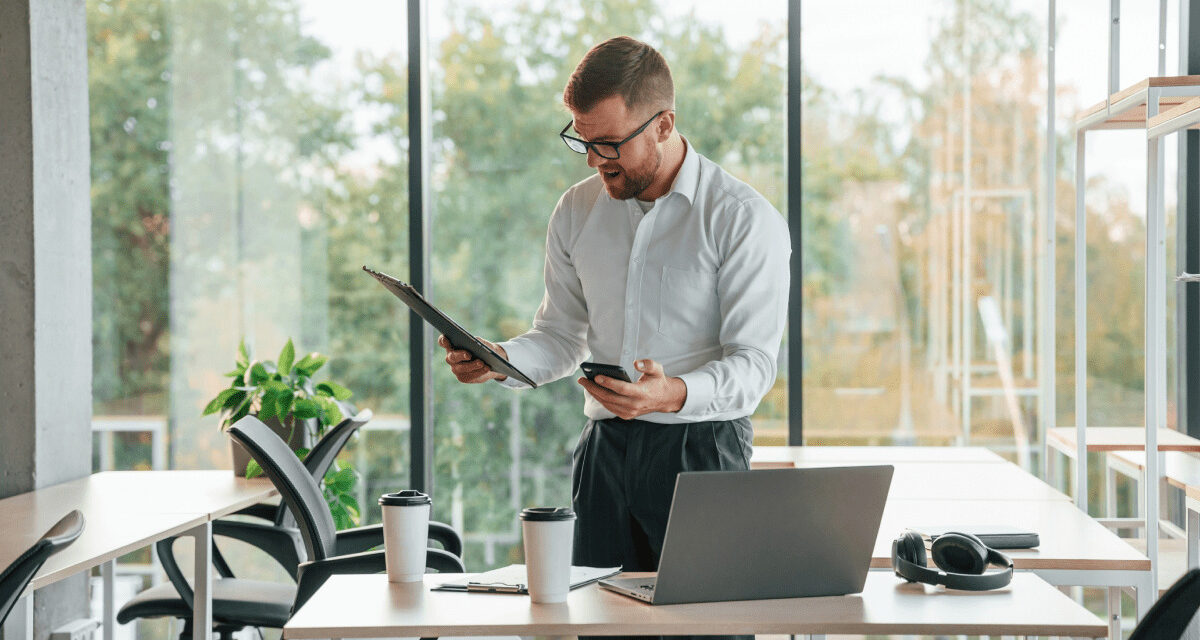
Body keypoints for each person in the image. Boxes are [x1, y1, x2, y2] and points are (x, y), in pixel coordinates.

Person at [439, 34, 789, 601]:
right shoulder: (576, 210)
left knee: (704, 630)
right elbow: (560, 336)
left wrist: (670, 392)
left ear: (664, 124)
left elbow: (754, 365)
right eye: (583, 142)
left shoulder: (743, 218)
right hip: (603, 456)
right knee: (598, 622)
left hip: (702, 453)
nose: (597, 160)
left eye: (609, 143)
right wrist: (500, 361)